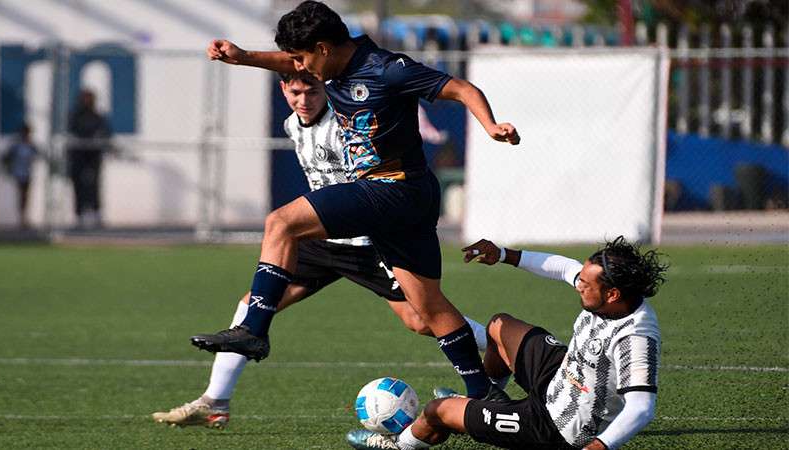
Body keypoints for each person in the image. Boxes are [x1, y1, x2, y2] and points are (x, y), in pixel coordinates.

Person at [192, 0, 519, 400]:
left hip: (391, 189)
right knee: (427, 310)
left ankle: (254, 330)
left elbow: (462, 88)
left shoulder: (386, 68)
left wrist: (491, 126)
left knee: (281, 222)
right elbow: (286, 62)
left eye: (302, 57)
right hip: (408, 196)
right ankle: (485, 395)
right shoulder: (327, 65)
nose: (299, 67)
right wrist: (243, 58)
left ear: (323, 47)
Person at [152, 73, 488, 429]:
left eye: (312, 91)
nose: (303, 100)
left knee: (421, 319)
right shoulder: (291, 124)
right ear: (283, 90)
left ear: (325, 90)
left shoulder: (345, 125)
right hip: (321, 242)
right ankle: (214, 402)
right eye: (295, 92)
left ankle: (502, 347)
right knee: (253, 303)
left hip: (367, 244)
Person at [346, 236, 668, 450]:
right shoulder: (610, 297)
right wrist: (503, 254)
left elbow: (642, 408)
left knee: (437, 411)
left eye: (586, 283)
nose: (577, 285)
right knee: (499, 326)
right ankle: (489, 396)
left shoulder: (636, 338)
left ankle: (399, 445)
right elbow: (565, 268)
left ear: (612, 294)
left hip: (557, 427)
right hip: (561, 376)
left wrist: (600, 445)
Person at [67, 89, 110, 229]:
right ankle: (79, 215)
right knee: (78, 185)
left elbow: (106, 133)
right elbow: (70, 132)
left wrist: (98, 139)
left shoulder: (98, 117)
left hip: (93, 155)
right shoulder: (74, 117)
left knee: (93, 185)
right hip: (78, 155)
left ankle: (96, 213)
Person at [0, 123, 40, 228]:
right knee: (22, 195)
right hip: (18, 173)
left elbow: (39, 154)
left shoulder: (30, 145)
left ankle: (23, 216)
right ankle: (22, 216)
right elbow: (5, 157)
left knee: (25, 195)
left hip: (27, 173)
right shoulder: (17, 145)